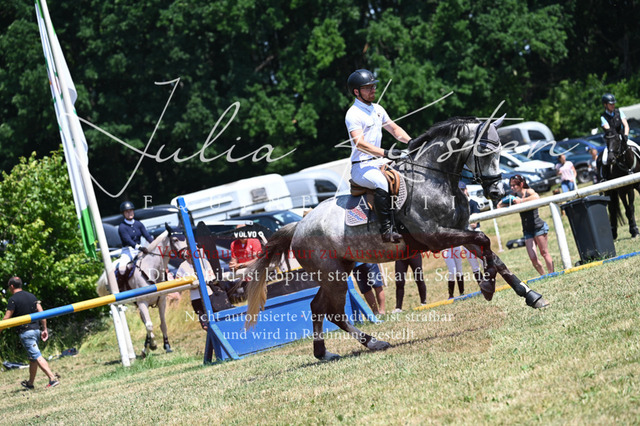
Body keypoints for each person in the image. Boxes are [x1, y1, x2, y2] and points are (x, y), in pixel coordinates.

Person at [345, 69, 412, 243]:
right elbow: (359, 143)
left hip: (379, 161)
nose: (373, 90)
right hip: (361, 165)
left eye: (373, 86)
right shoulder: (353, 114)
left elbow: (394, 129)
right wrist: (386, 152)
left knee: (408, 172)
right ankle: (386, 230)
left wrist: (412, 142)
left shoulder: (378, 109)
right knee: (382, 182)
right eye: (368, 88)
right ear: (356, 92)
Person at [1, 277, 59, 389]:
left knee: (36, 356)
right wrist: (44, 329)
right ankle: (30, 383)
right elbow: (42, 313)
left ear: (12, 286)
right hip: (36, 330)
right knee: (32, 359)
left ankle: (52, 378)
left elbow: (6, 319)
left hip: (26, 332)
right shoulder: (32, 296)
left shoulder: (13, 299)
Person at [498, 175, 554, 275]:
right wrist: (507, 202)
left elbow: (536, 197)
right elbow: (499, 205)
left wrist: (521, 201)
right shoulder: (514, 195)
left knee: (544, 253)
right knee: (533, 258)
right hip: (527, 230)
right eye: (511, 185)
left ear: (521, 184)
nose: (512, 187)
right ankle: (544, 276)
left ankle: (552, 274)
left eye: (514, 185)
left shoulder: (529, 191)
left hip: (538, 227)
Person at [175, 248, 217, 330]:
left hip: (208, 294)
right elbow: (178, 280)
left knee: (215, 319)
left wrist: (203, 281)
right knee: (205, 325)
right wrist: (189, 284)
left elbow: (212, 276)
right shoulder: (183, 266)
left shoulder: (204, 262)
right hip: (195, 298)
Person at [116, 201, 153, 278]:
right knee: (122, 269)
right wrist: (139, 247)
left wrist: (155, 243)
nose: (129, 213)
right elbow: (128, 240)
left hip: (140, 250)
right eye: (127, 212)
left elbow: (147, 236)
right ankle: (123, 284)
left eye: (131, 211)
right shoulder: (122, 227)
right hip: (128, 251)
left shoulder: (139, 224)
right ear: (123, 213)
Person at [600, 93, 630, 165]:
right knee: (604, 160)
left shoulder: (619, 112)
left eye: (613, 104)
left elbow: (626, 125)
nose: (613, 105)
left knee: (638, 148)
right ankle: (604, 172)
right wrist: (616, 139)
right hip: (612, 142)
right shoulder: (603, 117)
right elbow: (610, 131)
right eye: (611, 104)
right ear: (605, 105)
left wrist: (626, 135)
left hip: (623, 138)